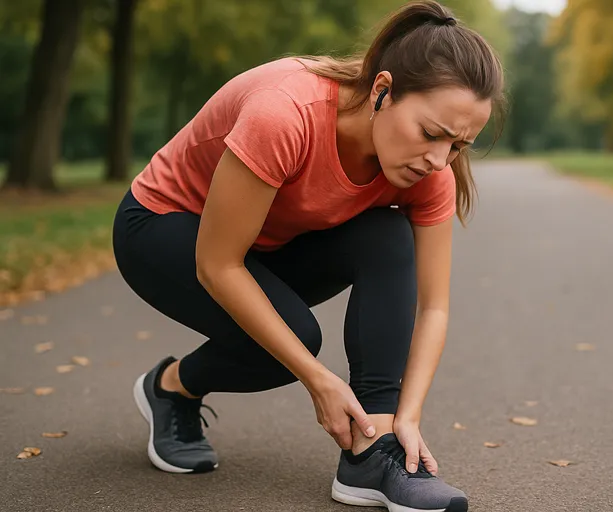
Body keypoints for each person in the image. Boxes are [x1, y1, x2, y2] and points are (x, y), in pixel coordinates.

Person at [112, 1, 504, 510]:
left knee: (386, 233)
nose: (438, 160)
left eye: (458, 145)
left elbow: (435, 308)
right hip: (164, 228)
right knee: (290, 343)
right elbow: (218, 264)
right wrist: (317, 379)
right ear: (382, 91)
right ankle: (171, 388)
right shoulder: (286, 113)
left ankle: (373, 450)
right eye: (431, 133)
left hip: (267, 244)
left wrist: (406, 416)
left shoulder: (431, 174)